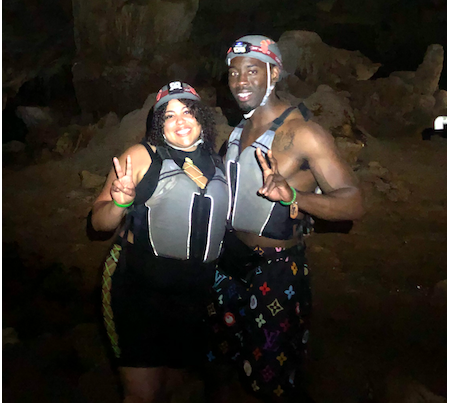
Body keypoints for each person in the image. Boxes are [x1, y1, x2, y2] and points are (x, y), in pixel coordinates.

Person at [207, 35, 365, 402]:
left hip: (275, 272)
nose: (240, 81)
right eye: (233, 73)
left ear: (273, 73)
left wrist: (296, 196)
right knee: (224, 364)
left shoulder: (304, 133)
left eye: (251, 71)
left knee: (272, 379)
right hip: (227, 264)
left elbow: (354, 202)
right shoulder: (236, 132)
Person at [91, 81, 228, 403]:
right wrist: (120, 203)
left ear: (201, 119)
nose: (180, 120)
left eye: (187, 112)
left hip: (194, 293)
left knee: (176, 384)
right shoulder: (140, 157)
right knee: (142, 393)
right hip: (138, 289)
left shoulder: (219, 162)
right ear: (158, 125)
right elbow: (98, 223)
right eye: (169, 116)